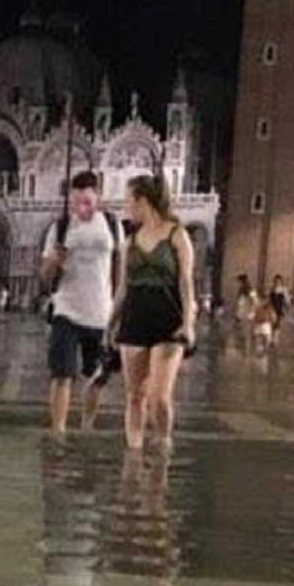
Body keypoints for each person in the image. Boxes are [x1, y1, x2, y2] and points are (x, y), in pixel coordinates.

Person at [108, 175, 196, 451]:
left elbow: (185, 282)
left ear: (142, 201)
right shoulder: (129, 242)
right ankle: (133, 456)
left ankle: (162, 443)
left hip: (167, 320)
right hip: (135, 317)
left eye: (128, 201)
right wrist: (109, 324)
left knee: (159, 396)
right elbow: (122, 287)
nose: (126, 208)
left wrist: (188, 323)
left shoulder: (176, 234)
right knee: (135, 395)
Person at [39, 170, 125, 436]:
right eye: (76, 203)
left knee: (96, 376)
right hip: (66, 309)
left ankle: (87, 425)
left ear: (98, 197)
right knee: (61, 374)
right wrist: (54, 261)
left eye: (87, 202)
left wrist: (120, 307)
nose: (82, 208)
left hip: (101, 311)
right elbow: (44, 276)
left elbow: (120, 266)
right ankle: (58, 430)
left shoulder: (112, 224)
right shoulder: (60, 227)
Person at [268, 274, 290, 345]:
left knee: (277, 324)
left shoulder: (283, 289)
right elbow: (269, 299)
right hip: (272, 308)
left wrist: (286, 308)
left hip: (279, 308)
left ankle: (275, 339)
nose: (277, 282)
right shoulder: (272, 289)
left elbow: (287, 300)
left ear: (281, 281)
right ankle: (271, 339)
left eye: (278, 281)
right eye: (276, 281)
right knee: (272, 323)